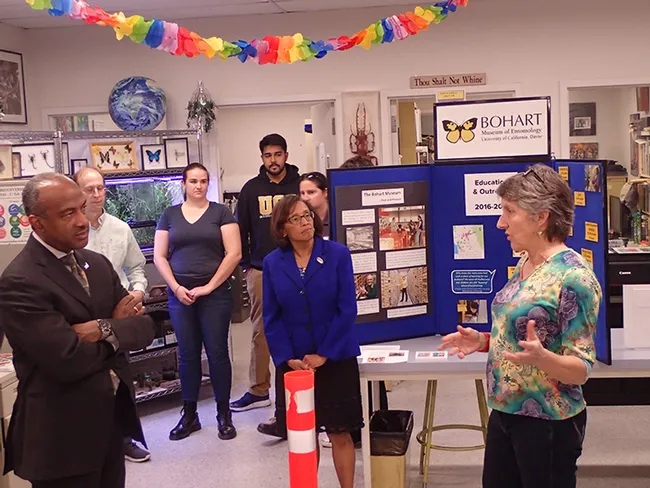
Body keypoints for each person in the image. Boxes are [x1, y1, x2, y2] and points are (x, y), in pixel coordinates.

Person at [439, 164, 602, 488]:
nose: (501, 223)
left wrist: (544, 360)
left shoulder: (574, 278)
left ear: (541, 217)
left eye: (509, 212)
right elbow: (530, 334)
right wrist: (485, 341)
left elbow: (580, 368)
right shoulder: (526, 262)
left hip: (548, 423)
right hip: (506, 411)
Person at [0, 173, 155, 488]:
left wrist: (100, 328)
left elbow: (145, 329)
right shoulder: (20, 281)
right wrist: (117, 329)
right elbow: (68, 359)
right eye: (68, 214)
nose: (83, 221)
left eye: (82, 209)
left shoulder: (95, 264)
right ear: (36, 223)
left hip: (109, 426)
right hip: (61, 439)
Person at [263, 194, 363, 488]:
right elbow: (271, 316)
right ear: (283, 229)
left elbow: (347, 309)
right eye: (296, 218)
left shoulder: (337, 254)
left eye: (307, 215)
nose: (306, 222)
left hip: (335, 358)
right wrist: (287, 358)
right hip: (295, 365)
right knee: (303, 435)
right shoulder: (272, 263)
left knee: (339, 432)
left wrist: (324, 354)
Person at [153, 163, 242, 441]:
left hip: (215, 294)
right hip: (180, 295)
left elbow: (234, 253)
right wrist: (177, 287)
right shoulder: (169, 215)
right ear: (183, 184)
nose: (198, 186)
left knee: (216, 353)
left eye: (203, 181)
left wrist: (208, 287)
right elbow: (159, 256)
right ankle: (189, 414)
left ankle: (223, 414)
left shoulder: (221, 213)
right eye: (193, 181)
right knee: (188, 354)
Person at [73, 167, 151, 463]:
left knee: (120, 378)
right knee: (87, 382)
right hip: (80, 318)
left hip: (116, 315)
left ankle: (124, 437)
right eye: (89, 189)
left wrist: (138, 292)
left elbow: (135, 267)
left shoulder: (120, 228)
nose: (96, 194)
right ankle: (92, 443)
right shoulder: (72, 232)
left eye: (101, 188)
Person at [230, 134, 300, 440]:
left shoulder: (299, 186)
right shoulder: (250, 190)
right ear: (262, 158)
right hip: (260, 270)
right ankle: (259, 390)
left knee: (299, 328)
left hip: (297, 268)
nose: (273, 160)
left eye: (278, 154)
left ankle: (301, 386)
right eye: (267, 155)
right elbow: (239, 228)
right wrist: (246, 264)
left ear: (286, 155)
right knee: (261, 330)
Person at [300, 171, 329, 238]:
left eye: (311, 192)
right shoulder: (302, 221)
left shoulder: (336, 217)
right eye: (302, 193)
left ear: (325, 192)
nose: (305, 198)